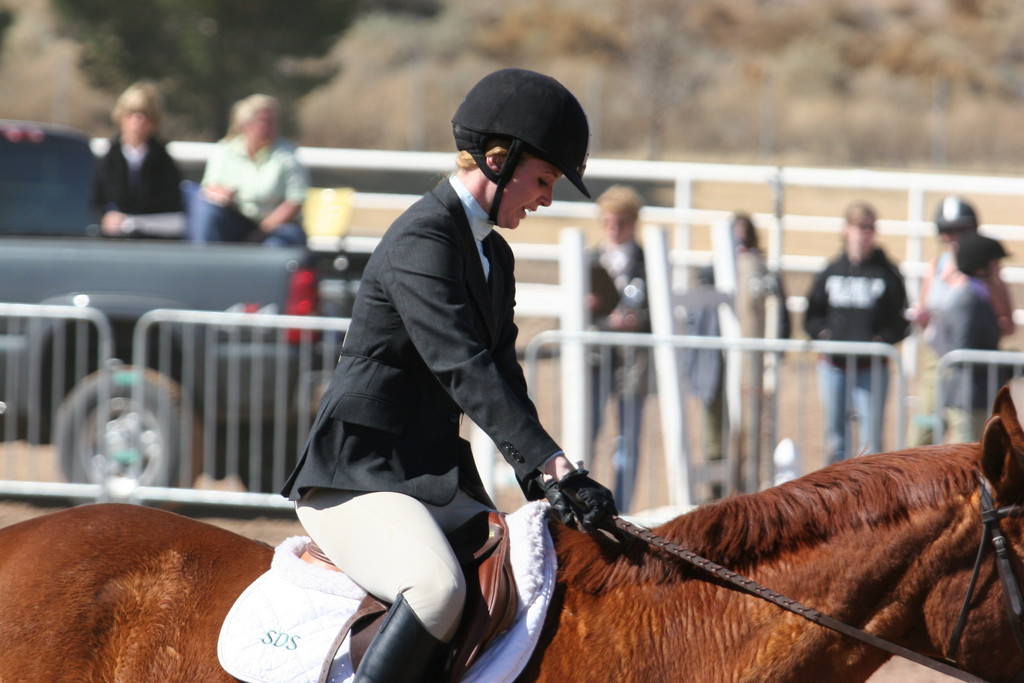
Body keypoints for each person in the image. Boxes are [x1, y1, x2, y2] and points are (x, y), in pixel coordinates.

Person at [280, 69, 617, 682]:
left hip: (427, 476)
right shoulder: (423, 238)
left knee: (538, 565)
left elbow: (504, 375)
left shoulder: (494, 254)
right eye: (543, 180)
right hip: (358, 475)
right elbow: (464, 366)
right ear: (496, 160)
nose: (546, 198)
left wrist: (541, 481)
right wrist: (554, 462)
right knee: (436, 591)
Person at [804, 201, 909, 464]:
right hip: (833, 366)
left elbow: (902, 319)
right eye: (860, 227)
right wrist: (824, 335)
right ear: (845, 230)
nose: (865, 233)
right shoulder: (831, 271)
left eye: (870, 227)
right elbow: (812, 314)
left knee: (871, 443)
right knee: (836, 439)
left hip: (871, 367)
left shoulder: (888, 273)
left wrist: (881, 340)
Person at [909, 196, 1015, 445]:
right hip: (937, 361)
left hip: (967, 367)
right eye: (947, 230)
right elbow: (926, 314)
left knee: (965, 436)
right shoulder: (934, 268)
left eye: (960, 229)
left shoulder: (987, 273)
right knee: (923, 433)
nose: (953, 236)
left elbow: (1006, 323)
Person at [586, 184, 650, 512]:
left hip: (632, 362)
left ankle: (622, 508)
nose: (613, 228)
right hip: (597, 358)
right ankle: (585, 502)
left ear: (633, 222)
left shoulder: (646, 263)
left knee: (626, 439)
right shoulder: (590, 259)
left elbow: (655, 311)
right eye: (608, 221)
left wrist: (636, 318)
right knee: (589, 431)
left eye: (621, 221)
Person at [187, 94, 309, 246]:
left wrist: (261, 232)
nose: (272, 127)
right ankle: (203, 262)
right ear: (245, 124)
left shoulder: (287, 155)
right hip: (234, 221)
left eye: (274, 122)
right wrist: (222, 195)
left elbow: (295, 202)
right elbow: (208, 188)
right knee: (204, 209)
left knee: (279, 243)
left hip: (275, 228)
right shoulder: (225, 150)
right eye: (265, 121)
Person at [935, 232, 1011, 442]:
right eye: (995, 264)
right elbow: (963, 352)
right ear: (981, 267)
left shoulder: (979, 297)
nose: (999, 269)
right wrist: (1004, 364)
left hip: (977, 395)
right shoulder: (968, 301)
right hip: (967, 398)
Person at [92, 81, 185, 238]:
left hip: (153, 245)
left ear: (154, 121)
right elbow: (94, 203)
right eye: (132, 113)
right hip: (112, 245)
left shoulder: (165, 162)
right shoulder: (109, 160)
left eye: (145, 115)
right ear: (121, 116)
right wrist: (106, 217)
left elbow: (174, 214)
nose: (138, 120)